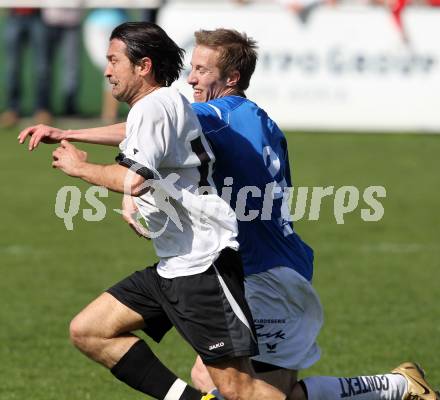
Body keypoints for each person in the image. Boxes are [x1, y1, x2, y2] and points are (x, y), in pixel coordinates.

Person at [18, 27, 438, 400]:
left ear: (231, 79)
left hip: (264, 273)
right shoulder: (258, 120)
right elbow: (155, 138)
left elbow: (151, 131)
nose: (191, 79)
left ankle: (395, 387)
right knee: (236, 383)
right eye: (192, 68)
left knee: (230, 385)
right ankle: (397, 386)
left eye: (202, 70)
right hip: (259, 263)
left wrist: (76, 141)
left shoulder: (216, 117)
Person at [18, 22, 290, 400]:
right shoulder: (161, 104)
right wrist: (68, 134)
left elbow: (134, 178)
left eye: (114, 60)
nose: (107, 69)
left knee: (240, 389)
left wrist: (79, 167)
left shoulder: (156, 108)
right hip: (173, 264)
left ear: (143, 65)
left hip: (202, 265)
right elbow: (142, 153)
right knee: (90, 330)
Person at [1, 8, 51, 128]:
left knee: (42, 67)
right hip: (14, 15)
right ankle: (12, 109)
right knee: (12, 68)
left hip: (38, 15)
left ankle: (42, 109)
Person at [42, 8, 82, 116]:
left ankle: (69, 107)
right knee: (44, 67)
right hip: (48, 21)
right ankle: (44, 108)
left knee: (71, 66)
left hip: (72, 21)